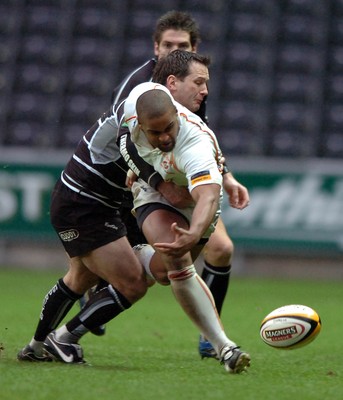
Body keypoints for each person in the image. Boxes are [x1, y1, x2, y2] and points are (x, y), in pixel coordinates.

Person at [17, 49, 248, 366]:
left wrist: (164, 186)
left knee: (81, 277)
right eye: (197, 82)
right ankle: (61, 339)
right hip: (82, 202)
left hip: (106, 202)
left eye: (168, 129)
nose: (205, 91)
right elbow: (126, 141)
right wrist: (158, 182)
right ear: (170, 83)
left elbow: (204, 192)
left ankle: (38, 344)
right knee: (133, 283)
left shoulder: (187, 131)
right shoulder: (138, 100)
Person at [95, 10, 249, 359]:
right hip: (133, 181)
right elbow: (122, 142)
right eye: (167, 45)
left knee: (218, 250)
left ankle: (211, 336)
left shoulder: (192, 85)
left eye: (181, 45)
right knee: (114, 263)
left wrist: (226, 176)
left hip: (178, 181)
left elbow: (201, 141)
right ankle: (90, 299)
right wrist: (155, 182)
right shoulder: (138, 89)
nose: (171, 51)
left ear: (193, 50)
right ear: (156, 47)